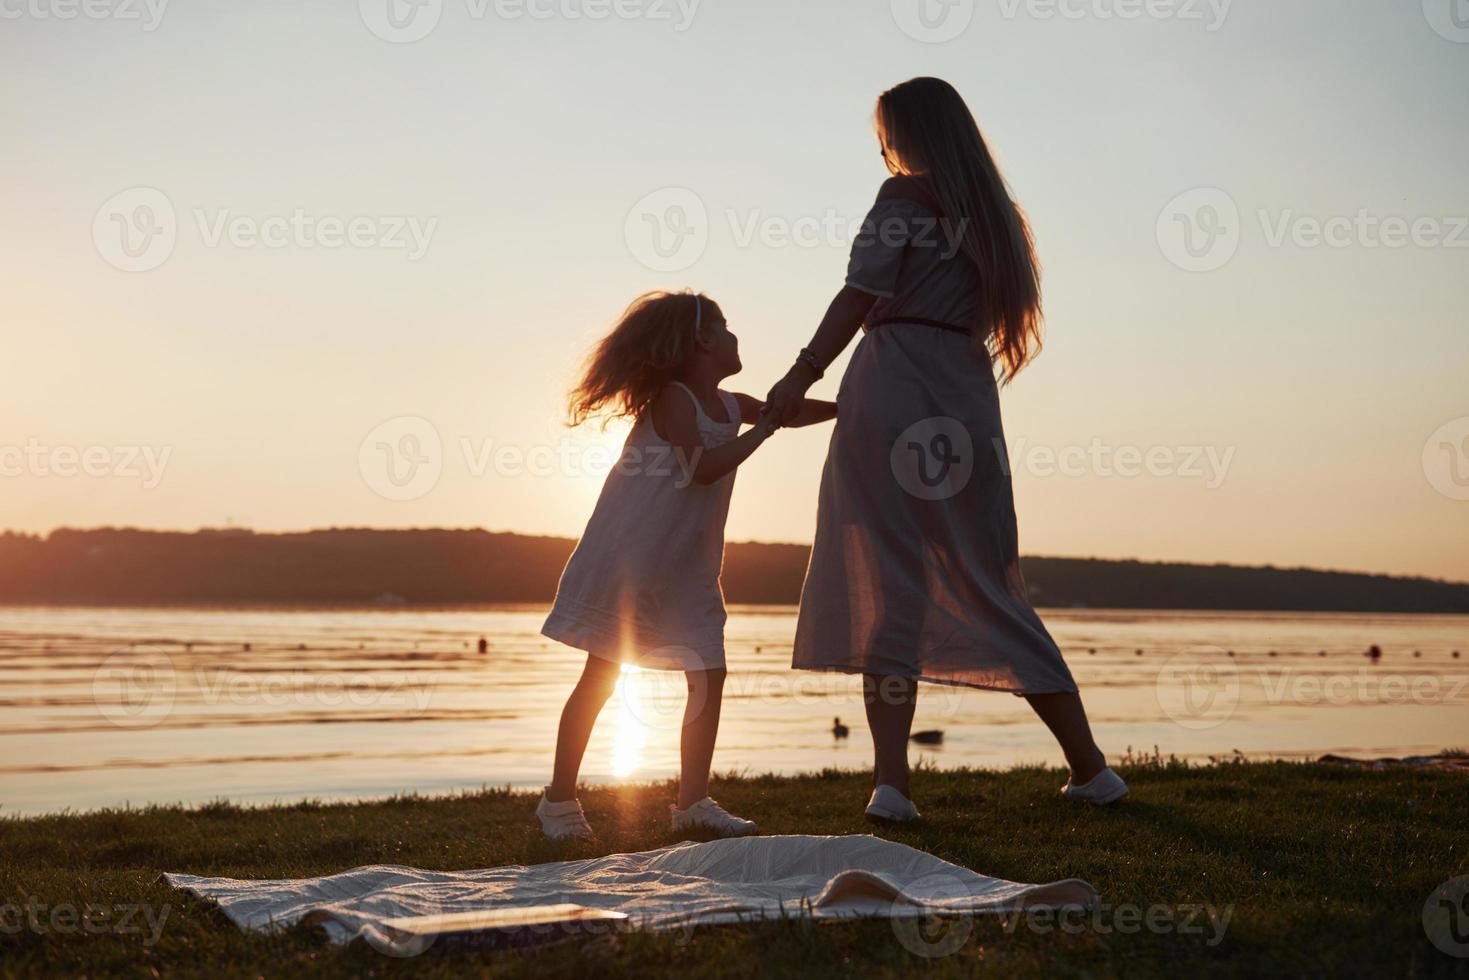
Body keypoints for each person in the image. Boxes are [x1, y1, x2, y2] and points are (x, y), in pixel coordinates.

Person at [763, 77, 1127, 822]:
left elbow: (859, 294)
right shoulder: (996, 219)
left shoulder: (902, 198)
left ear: (910, 133)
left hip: (893, 381)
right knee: (985, 573)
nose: (882, 146)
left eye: (886, 132)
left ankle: (891, 783)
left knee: (884, 576)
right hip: (963, 396)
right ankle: (1089, 767)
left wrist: (801, 372)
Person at [537, 290, 836, 839]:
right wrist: (765, 429)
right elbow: (703, 467)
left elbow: (785, 413)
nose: (734, 334)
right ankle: (558, 802)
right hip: (634, 560)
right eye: (725, 325)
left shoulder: (730, 404)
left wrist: (845, 408)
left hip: (686, 567)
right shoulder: (674, 400)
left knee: (708, 673)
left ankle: (692, 802)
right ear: (702, 340)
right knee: (602, 674)